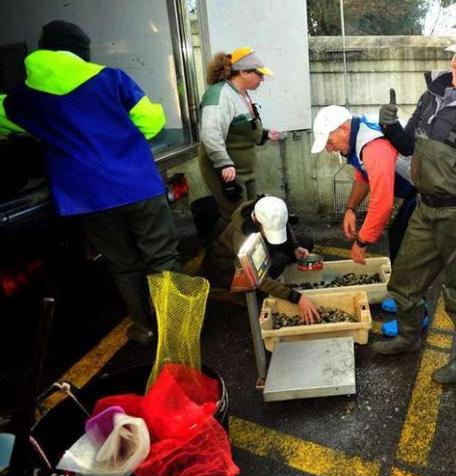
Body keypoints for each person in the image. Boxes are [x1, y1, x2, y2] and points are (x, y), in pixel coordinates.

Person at [0, 20, 180, 345]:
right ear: (81, 52)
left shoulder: (23, 98)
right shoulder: (112, 79)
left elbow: (6, 120)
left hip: (86, 196)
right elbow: (152, 123)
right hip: (136, 182)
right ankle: (177, 333)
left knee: (123, 264)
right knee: (162, 257)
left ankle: (145, 328)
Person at [370, 27, 456, 384]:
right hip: (423, 207)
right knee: (403, 280)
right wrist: (390, 126)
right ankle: (408, 337)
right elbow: (408, 146)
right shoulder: (432, 95)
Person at [310, 104, 420, 334]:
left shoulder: (373, 146)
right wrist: (350, 208)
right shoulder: (359, 137)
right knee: (398, 241)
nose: (329, 149)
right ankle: (404, 301)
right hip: (414, 192)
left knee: (409, 254)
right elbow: (363, 176)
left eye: (329, 142)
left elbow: (382, 202)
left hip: (425, 193)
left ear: (342, 129)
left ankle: (415, 317)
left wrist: (362, 242)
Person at [198, 47, 283, 223]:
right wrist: (224, 164)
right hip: (227, 171)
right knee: (237, 218)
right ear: (243, 72)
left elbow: (240, 128)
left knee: (249, 213)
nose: (262, 79)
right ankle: (229, 249)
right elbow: (210, 133)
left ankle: (246, 248)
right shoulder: (220, 94)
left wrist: (266, 134)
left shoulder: (240, 94)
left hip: (243, 170)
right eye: (259, 74)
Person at [207, 196, 320, 323]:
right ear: (257, 222)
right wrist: (297, 298)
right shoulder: (243, 237)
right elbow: (259, 279)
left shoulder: (270, 206)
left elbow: (284, 224)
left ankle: (276, 280)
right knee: (279, 261)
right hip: (232, 269)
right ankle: (258, 295)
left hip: (263, 246)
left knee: (306, 242)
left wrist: (295, 246)